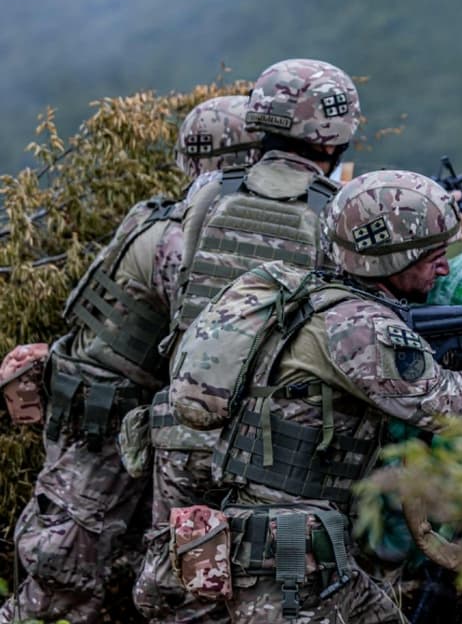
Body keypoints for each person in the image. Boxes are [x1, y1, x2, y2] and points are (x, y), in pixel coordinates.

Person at [162, 169, 462, 623]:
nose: (446, 266)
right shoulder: (360, 328)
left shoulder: (331, 300)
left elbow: (429, 371)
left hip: (302, 544)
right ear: (391, 260)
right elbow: (449, 407)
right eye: (433, 256)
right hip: (289, 561)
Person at [0, 95, 262, 624]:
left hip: (114, 432)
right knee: (61, 591)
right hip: (102, 439)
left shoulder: (168, 218)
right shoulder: (180, 237)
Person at [134, 58, 359, 623]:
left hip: (183, 427)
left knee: (183, 587)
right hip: (269, 449)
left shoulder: (210, 192)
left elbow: (180, 285)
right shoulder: (332, 209)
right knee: (272, 596)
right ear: (337, 131)